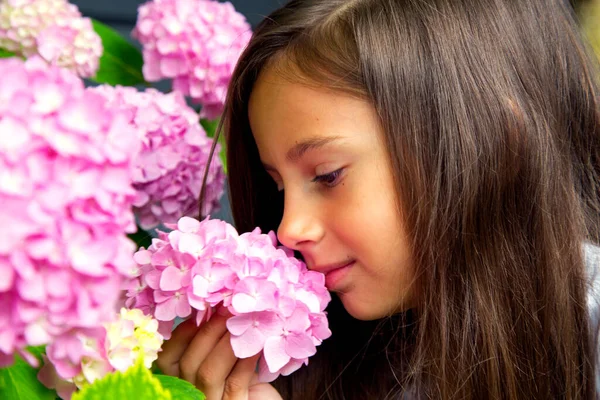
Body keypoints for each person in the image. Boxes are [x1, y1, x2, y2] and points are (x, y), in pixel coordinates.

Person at [156, 0, 600, 398]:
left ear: (495, 145)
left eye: (328, 176)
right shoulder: (355, 360)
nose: (289, 229)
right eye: (278, 186)